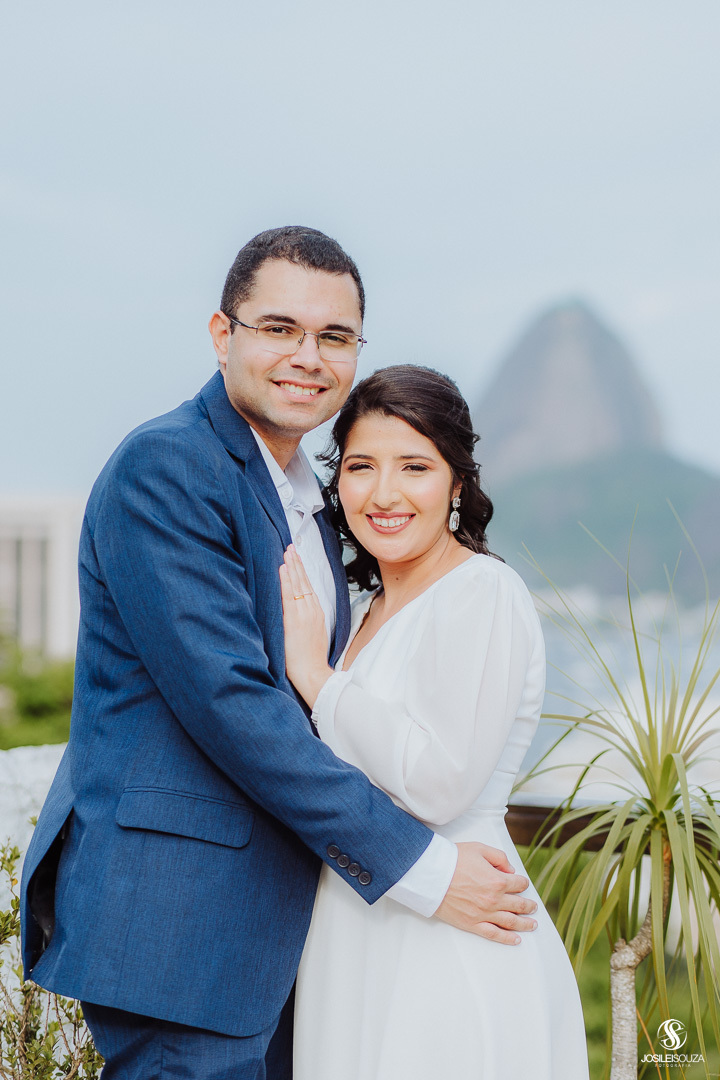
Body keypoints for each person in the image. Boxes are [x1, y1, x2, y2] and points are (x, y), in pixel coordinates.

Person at [20, 227, 538, 1080]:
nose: (308, 355)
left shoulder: (304, 497)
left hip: (293, 934)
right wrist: (423, 868)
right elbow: (236, 709)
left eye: (334, 336)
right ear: (223, 335)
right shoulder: (170, 467)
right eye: (279, 328)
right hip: (185, 932)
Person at [280, 365, 590, 1079]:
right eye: (361, 467)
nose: (383, 493)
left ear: (457, 485)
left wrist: (316, 678)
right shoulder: (362, 611)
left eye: (414, 466)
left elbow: (442, 783)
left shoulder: (481, 592)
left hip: (451, 925)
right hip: (365, 919)